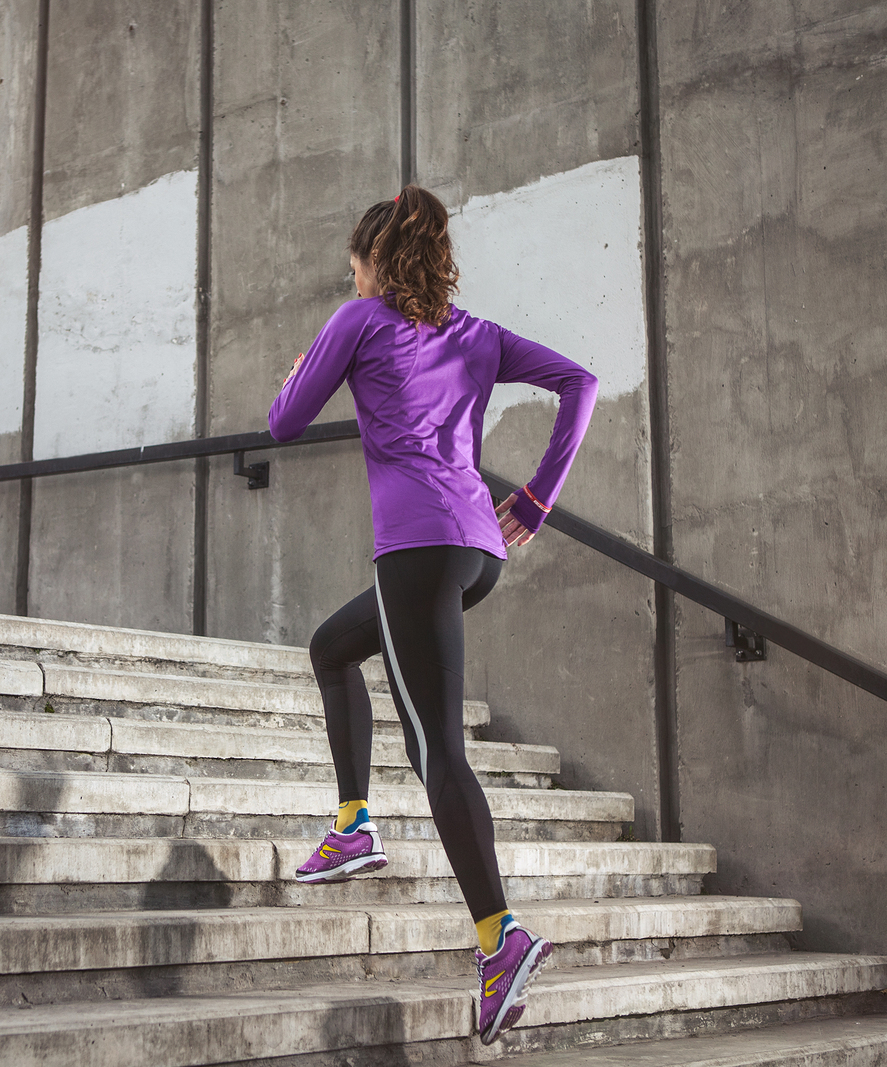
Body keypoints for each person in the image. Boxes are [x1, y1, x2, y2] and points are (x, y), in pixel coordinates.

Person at [267, 185, 599, 1042]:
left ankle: (499, 937)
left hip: (416, 552)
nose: (355, 279)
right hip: (478, 547)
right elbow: (582, 383)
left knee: (435, 748)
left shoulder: (362, 319)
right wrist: (540, 496)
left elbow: (283, 421)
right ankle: (351, 826)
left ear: (373, 263)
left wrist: (299, 371)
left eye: (355, 268)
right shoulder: (476, 334)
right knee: (334, 647)